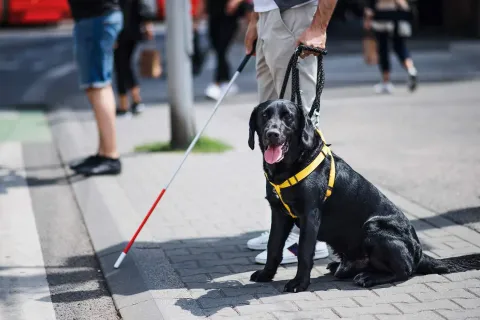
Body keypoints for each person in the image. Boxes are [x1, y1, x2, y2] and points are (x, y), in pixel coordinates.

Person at [244, 0, 338, 265]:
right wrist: (256, 19)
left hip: (296, 15)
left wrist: (318, 26)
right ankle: (280, 232)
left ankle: (310, 238)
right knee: (271, 130)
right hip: (268, 17)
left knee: (301, 131)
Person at [67, 0, 124, 176]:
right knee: (94, 86)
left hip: (97, 19)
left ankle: (110, 156)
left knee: (99, 85)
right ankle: (103, 152)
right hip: (95, 18)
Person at [364, 0, 418, 94]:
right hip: (398, 18)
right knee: (400, 47)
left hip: (382, 18)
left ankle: (386, 82)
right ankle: (411, 70)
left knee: (383, 50)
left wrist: (368, 20)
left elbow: (370, 7)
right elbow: (405, 6)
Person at [114, 0, 157, 118]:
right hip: (132, 26)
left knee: (121, 65)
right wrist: (147, 22)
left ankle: (125, 104)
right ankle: (135, 100)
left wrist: (147, 22)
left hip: (120, 27)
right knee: (125, 64)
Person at [204, 0, 253, 100]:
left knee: (222, 48)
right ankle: (226, 81)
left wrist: (235, 2)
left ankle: (217, 83)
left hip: (229, 13)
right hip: (213, 12)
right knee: (217, 49)